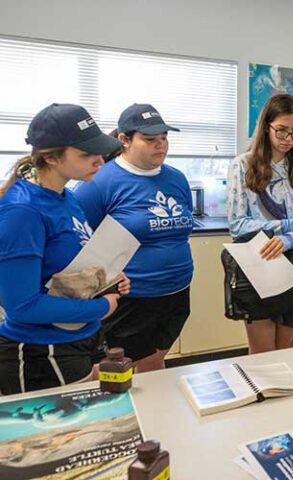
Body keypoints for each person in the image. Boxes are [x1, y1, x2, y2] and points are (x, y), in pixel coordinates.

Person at [0, 103, 129, 394]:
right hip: (41, 350)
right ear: (51, 157)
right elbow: (21, 306)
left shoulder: (67, 197)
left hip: (80, 337)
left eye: (99, 150)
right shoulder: (23, 212)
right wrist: (100, 306)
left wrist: (108, 281)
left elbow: (71, 267)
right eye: (86, 154)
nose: (99, 160)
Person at [74, 104, 193, 373]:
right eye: (150, 139)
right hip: (131, 299)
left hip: (176, 292)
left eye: (164, 138)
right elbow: (79, 239)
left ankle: (156, 415)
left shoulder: (176, 178)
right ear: (124, 140)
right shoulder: (99, 181)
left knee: (153, 363)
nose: (160, 145)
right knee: (115, 371)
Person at [227, 94, 293, 353]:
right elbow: (238, 225)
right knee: (261, 357)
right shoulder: (241, 166)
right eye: (281, 131)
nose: (288, 139)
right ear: (266, 127)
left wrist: (288, 238)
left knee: (286, 353)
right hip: (260, 265)